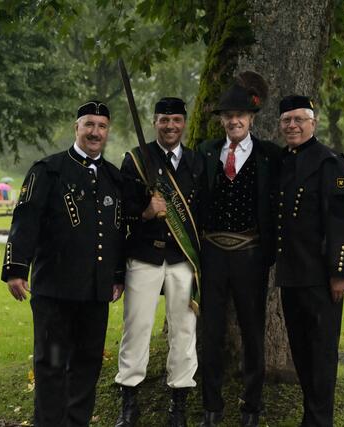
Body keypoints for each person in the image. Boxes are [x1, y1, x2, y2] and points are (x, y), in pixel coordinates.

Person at [1, 100, 125, 427]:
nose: (95, 132)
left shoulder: (114, 178)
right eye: (89, 125)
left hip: (95, 293)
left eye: (101, 126)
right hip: (54, 291)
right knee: (51, 365)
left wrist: (117, 275)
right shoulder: (49, 170)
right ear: (77, 128)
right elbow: (25, 220)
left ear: (107, 131)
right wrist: (16, 269)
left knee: (87, 366)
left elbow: (117, 233)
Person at [197, 74, 280, 427]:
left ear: (252, 118)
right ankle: (211, 407)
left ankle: (252, 407)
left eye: (241, 115)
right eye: (228, 115)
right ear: (221, 119)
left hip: (251, 256)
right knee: (209, 333)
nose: (234, 120)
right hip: (212, 255)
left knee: (252, 332)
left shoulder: (269, 156)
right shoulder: (204, 152)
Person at [114, 97, 203, 427]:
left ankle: (178, 401)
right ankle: (129, 400)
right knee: (136, 327)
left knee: (183, 329)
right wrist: (146, 212)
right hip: (145, 255)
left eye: (176, 120)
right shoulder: (136, 160)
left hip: (182, 259)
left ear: (184, 124)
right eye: (164, 120)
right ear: (154, 122)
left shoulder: (196, 161)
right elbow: (122, 212)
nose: (170, 126)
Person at [274, 95, 344, 427]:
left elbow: (340, 222)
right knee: (301, 355)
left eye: (299, 120)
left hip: (321, 278)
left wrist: (339, 273)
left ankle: (320, 421)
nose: (292, 125)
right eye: (286, 121)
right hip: (291, 276)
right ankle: (312, 416)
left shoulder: (329, 162)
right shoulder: (281, 161)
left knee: (321, 354)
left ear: (313, 123)